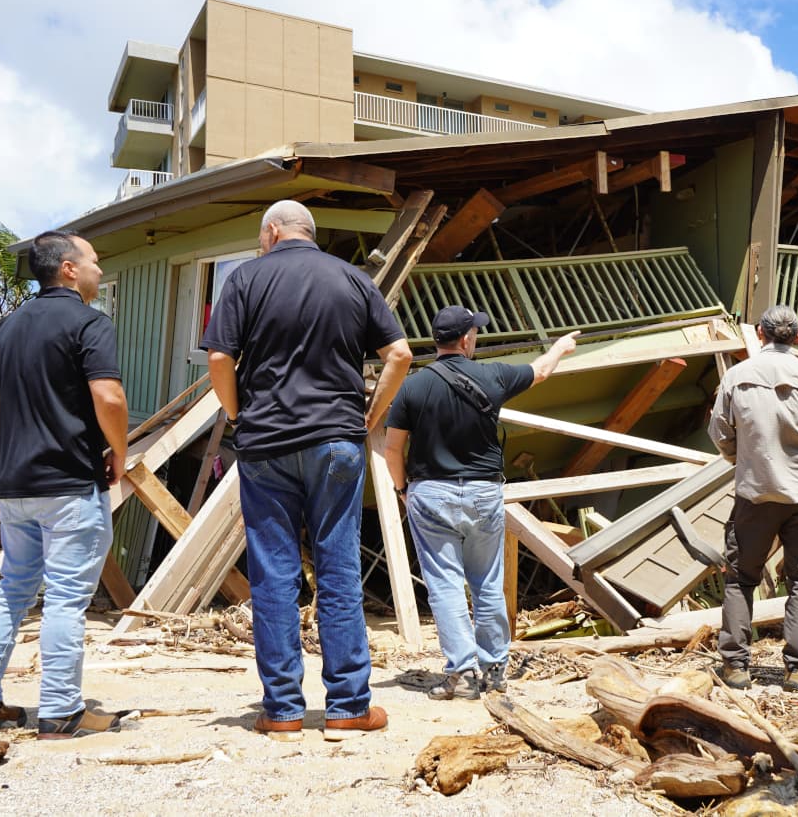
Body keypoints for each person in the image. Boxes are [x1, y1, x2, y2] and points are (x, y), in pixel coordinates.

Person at [201, 199, 412, 740]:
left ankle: (283, 711)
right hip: (336, 440)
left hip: (266, 442)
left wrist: (235, 414)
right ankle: (347, 707)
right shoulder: (352, 279)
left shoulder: (245, 279)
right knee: (338, 569)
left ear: (272, 232)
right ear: (308, 233)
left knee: (273, 574)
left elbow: (220, 359)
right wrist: (370, 414)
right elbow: (401, 355)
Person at [0, 230, 130, 739]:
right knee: (66, 599)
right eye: (94, 261)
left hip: (16, 485)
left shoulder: (12, 326)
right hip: (70, 483)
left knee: (11, 592)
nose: (99, 269)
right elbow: (110, 397)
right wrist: (118, 453)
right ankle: (60, 711)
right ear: (70, 269)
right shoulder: (90, 323)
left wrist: (7, 432)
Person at [384, 306, 578, 700]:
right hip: (483, 493)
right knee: (487, 583)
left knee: (445, 586)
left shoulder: (413, 386)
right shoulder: (493, 375)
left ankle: (459, 672)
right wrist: (559, 347)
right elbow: (539, 371)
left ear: (437, 339)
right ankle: (495, 671)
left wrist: (403, 489)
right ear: (467, 339)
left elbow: (392, 448)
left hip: (431, 493)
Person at [708, 305, 798, 692]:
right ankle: (797, 670)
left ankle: (735, 666)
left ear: (759, 333)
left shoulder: (736, 376)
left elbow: (719, 433)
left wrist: (742, 460)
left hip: (754, 494)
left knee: (739, 579)